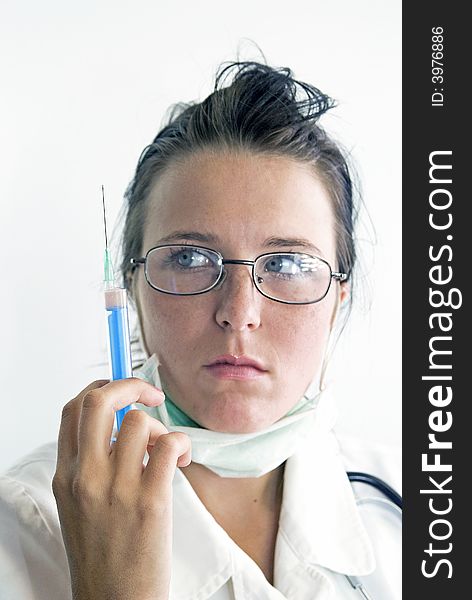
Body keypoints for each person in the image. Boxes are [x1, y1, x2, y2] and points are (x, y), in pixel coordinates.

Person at [0, 60, 401, 599]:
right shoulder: (22, 527)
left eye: (287, 265)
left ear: (337, 301)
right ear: (132, 289)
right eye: (189, 257)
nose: (240, 312)